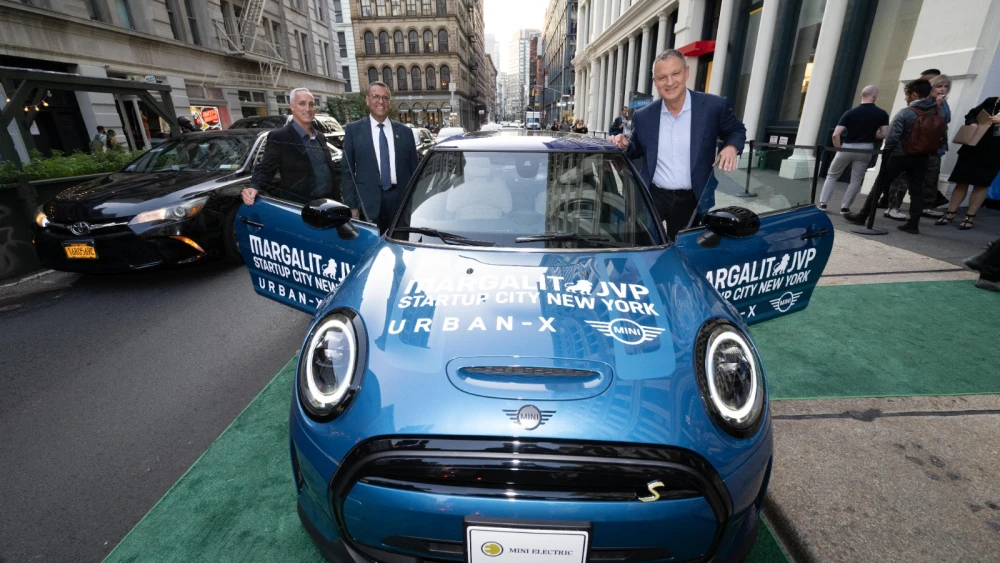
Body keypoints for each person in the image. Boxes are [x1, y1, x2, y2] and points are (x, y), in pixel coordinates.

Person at [609, 49, 747, 239]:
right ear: (655, 81)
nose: (670, 82)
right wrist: (624, 145)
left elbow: (737, 131)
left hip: (692, 198)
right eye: (662, 77)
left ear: (686, 73)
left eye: (675, 73)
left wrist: (731, 147)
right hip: (653, 195)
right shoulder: (644, 116)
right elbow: (636, 149)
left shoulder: (713, 107)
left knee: (682, 249)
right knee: (643, 242)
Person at [845, 79, 944, 234]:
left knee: (880, 184)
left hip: (900, 154)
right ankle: (913, 223)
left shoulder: (906, 113)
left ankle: (863, 215)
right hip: (923, 155)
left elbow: (892, 137)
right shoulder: (938, 111)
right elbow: (941, 135)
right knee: (917, 189)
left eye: (907, 95)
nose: (905, 98)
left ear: (914, 94)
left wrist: (888, 153)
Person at [340, 81, 419, 233]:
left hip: (400, 202)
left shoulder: (405, 133)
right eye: (376, 96)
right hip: (368, 204)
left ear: (389, 102)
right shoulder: (353, 131)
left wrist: (413, 203)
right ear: (367, 100)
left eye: (385, 98)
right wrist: (352, 206)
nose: (381, 101)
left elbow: (413, 171)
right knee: (372, 248)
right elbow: (347, 172)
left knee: (400, 245)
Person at [241, 88, 342, 207]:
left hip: (330, 204)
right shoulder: (280, 136)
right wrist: (253, 187)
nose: (308, 109)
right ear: (292, 107)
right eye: (302, 103)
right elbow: (266, 167)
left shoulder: (319, 136)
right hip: (302, 208)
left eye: (311, 104)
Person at [884, 73, 952, 220]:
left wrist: (940, 105)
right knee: (901, 179)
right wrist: (937, 105)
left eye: (946, 86)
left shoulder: (943, 103)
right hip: (912, 146)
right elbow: (921, 120)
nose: (943, 89)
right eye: (939, 86)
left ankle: (926, 207)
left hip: (933, 147)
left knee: (929, 178)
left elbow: (945, 120)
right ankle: (893, 206)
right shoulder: (923, 102)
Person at [817, 85, 889, 214]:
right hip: (866, 149)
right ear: (874, 96)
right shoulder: (882, 114)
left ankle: (823, 203)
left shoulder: (850, 113)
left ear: (861, 95)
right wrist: (870, 133)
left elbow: (836, 134)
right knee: (856, 180)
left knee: (832, 176)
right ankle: (845, 207)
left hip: (848, 147)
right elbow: (884, 134)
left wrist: (839, 149)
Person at [935, 93, 1000, 230]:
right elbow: (971, 114)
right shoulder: (991, 101)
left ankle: (970, 216)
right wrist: (973, 123)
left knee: (981, 185)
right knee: (961, 181)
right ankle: (950, 213)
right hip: (973, 147)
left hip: (994, 152)